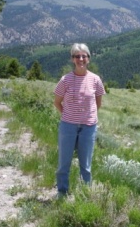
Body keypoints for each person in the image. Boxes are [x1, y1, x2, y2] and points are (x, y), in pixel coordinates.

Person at [53, 43, 106, 197]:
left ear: (88, 59)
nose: (81, 59)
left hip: (88, 127)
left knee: (86, 165)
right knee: (64, 163)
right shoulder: (65, 80)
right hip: (68, 126)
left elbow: (98, 103)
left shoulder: (96, 80)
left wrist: (88, 117)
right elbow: (57, 102)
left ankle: (85, 193)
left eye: (84, 56)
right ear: (72, 59)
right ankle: (62, 191)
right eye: (77, 56)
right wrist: (68, 115)